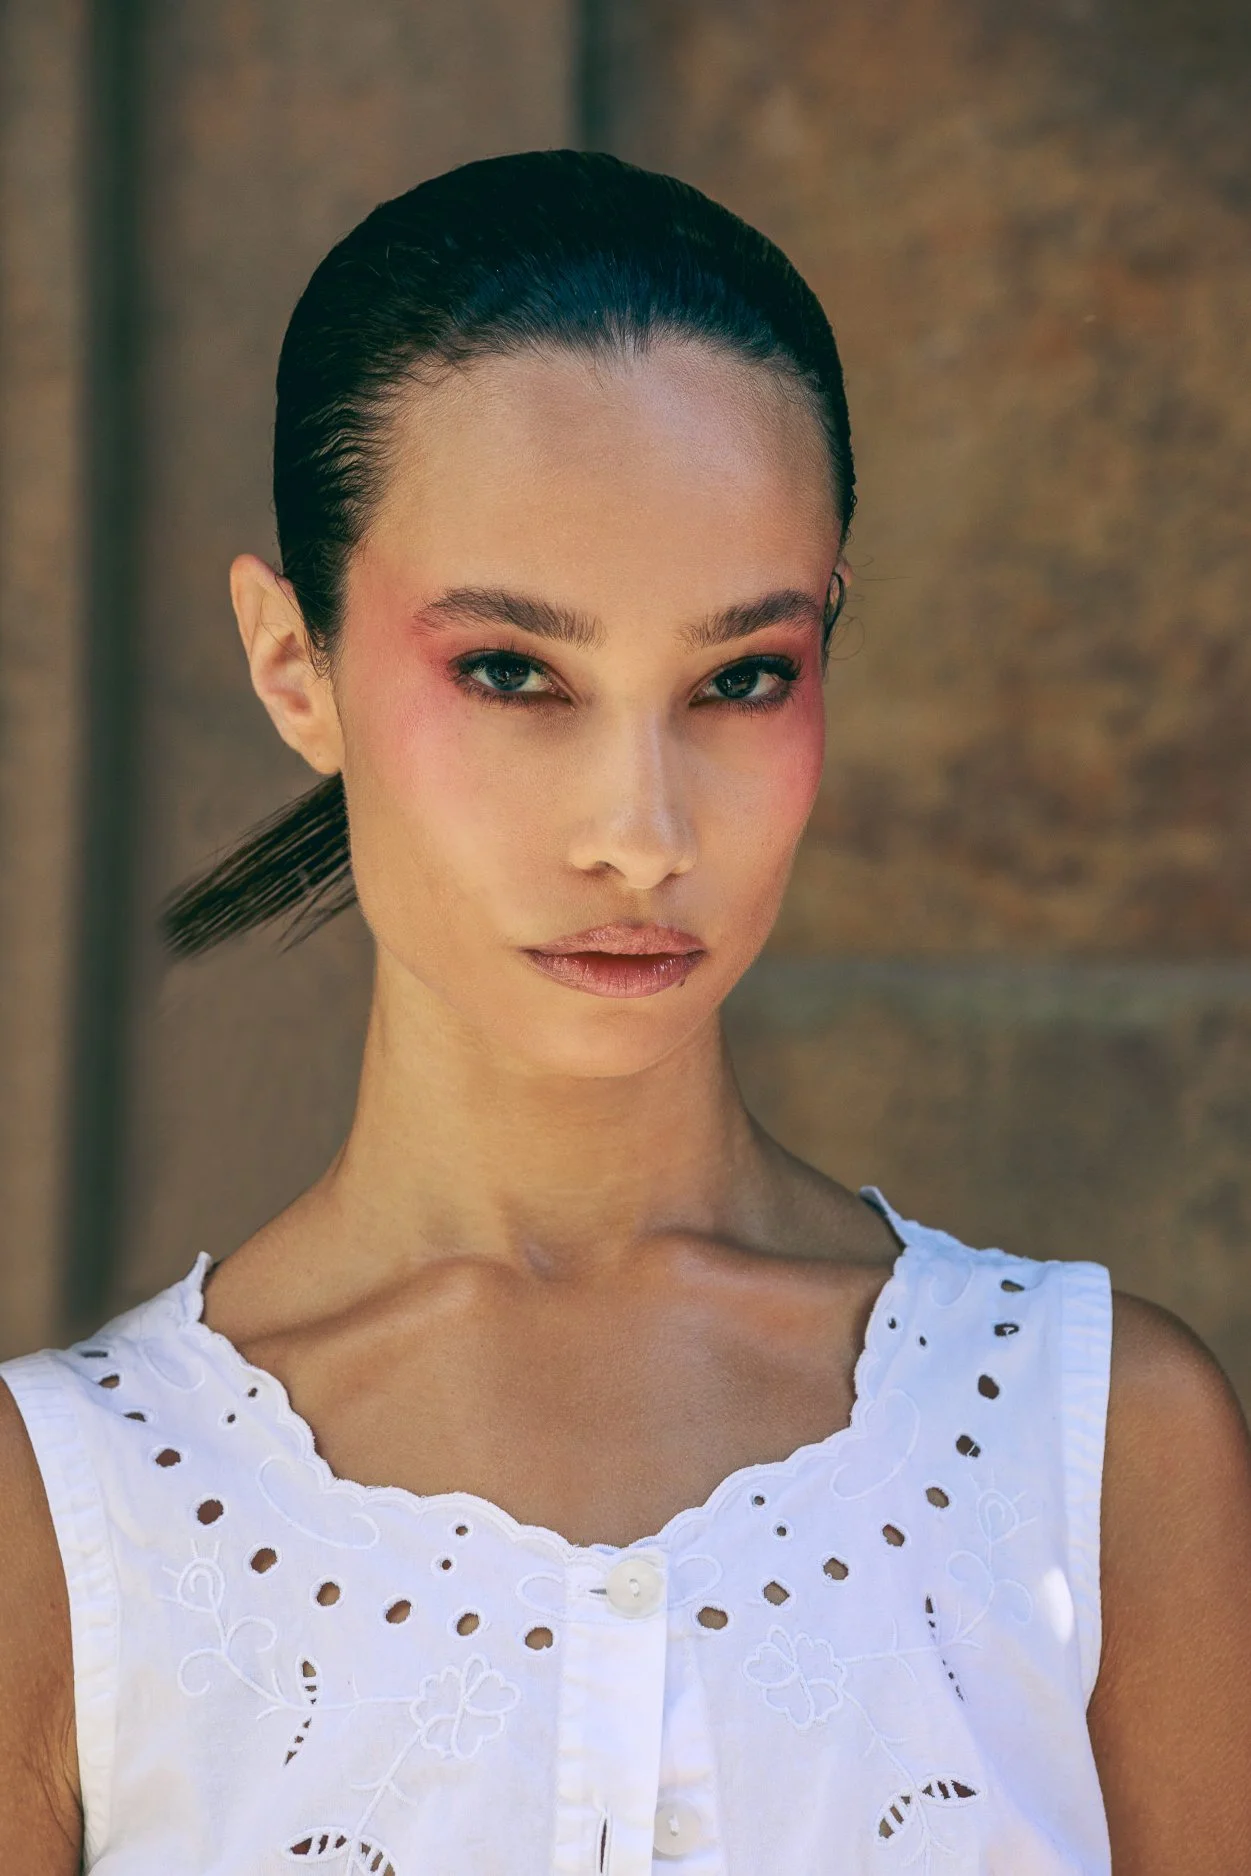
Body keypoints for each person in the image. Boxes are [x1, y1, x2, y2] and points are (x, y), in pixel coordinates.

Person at [1, 150, 1249, 1876]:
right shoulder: (64, 1525)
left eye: (740, 677)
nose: (642, 835)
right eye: (513, 672)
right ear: (295, 667)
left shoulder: (1097, 1444)